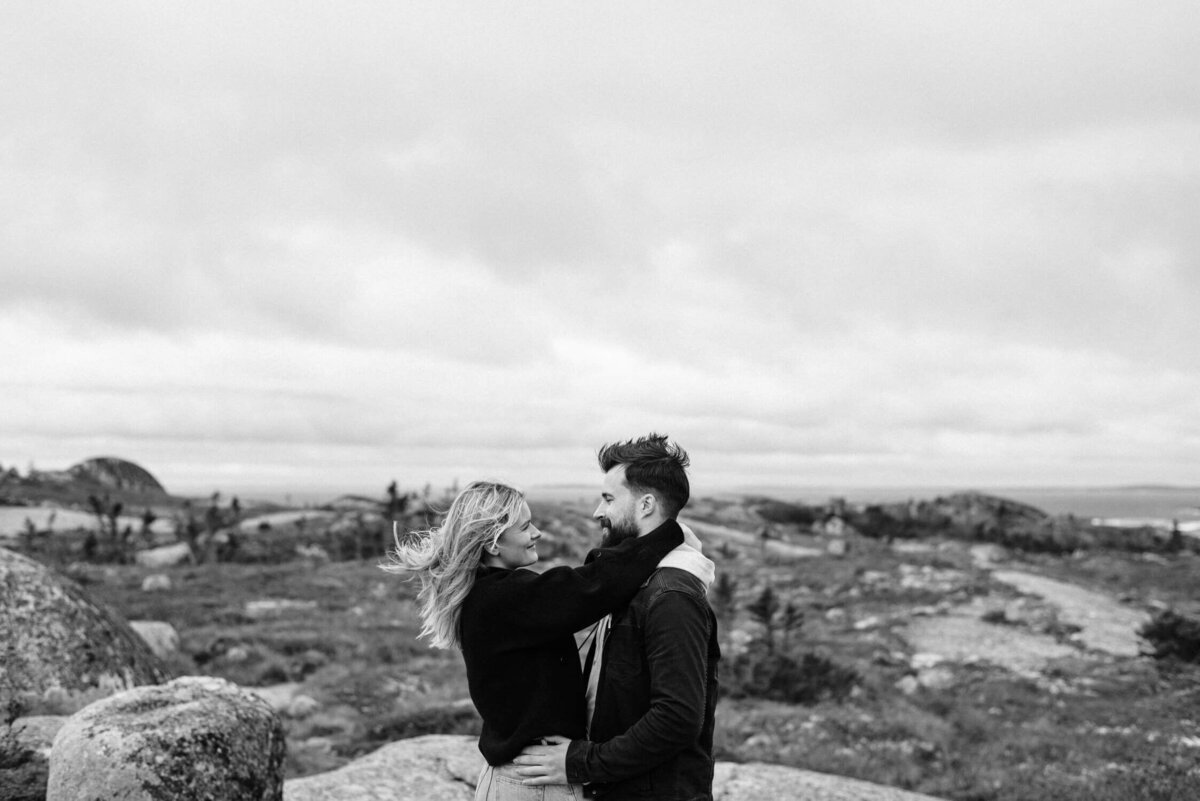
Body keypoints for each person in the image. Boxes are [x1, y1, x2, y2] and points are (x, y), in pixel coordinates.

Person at [381, 480, 684, 801]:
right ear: (494, 544)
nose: (536, 533)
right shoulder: (505, 596)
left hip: (520, 778)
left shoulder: (486, 594)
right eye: (525, 527)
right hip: (534, 783)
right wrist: (669, 535)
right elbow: (596, 585)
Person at [515, 434, 721, 801]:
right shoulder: (637, 583)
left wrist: (580, 761)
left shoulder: (671, 596)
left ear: (645, 505)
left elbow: (678, 718)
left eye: (609, 498)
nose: (597, 511)